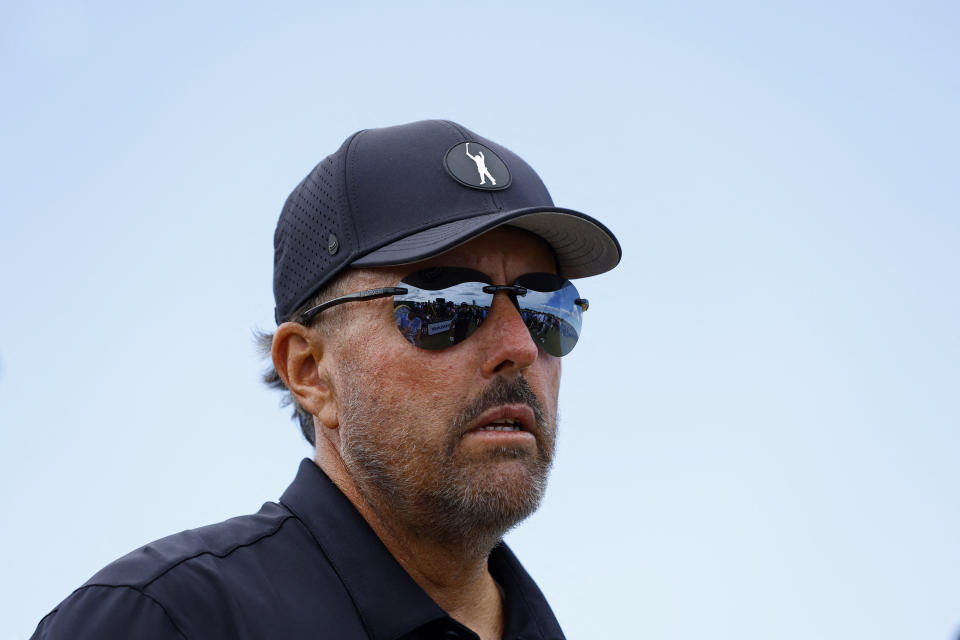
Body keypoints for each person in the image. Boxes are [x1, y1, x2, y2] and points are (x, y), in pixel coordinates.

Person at [31, 120, 621, 640]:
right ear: (309, 371)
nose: (518, 346)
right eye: (444, 304)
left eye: (546, 307)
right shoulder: (161, 621)